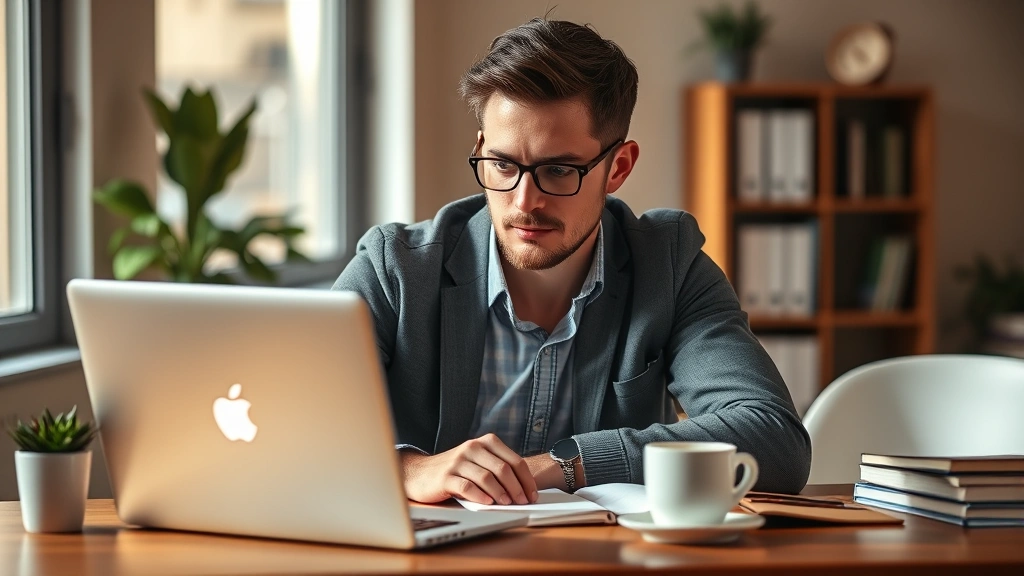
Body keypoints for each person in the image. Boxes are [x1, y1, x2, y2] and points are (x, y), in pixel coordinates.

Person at [333, 18, 811, 506]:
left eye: (558, 170)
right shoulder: (396, 269)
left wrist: (569, 465)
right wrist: (408, 467)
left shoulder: (668, 265)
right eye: (502, 165)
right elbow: (285, 426)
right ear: (480, 148)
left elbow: (773, 440)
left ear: (618, 167)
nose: (524, 202)